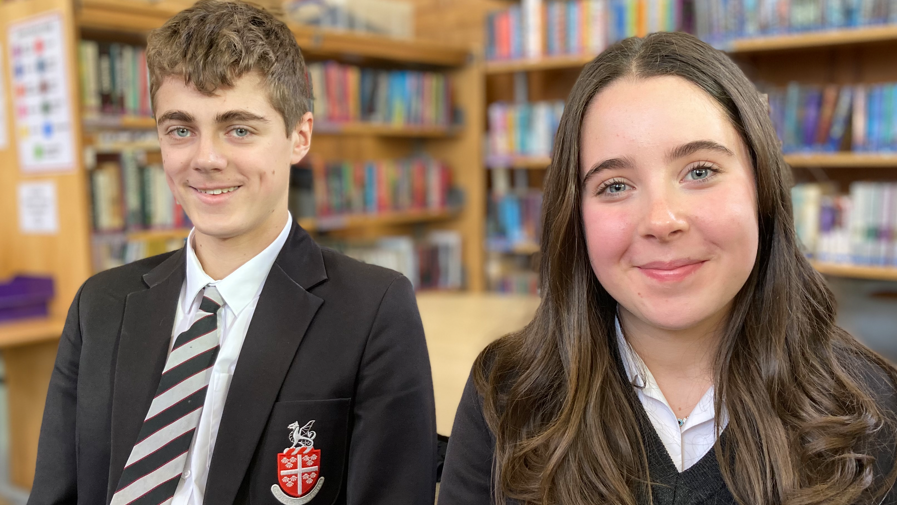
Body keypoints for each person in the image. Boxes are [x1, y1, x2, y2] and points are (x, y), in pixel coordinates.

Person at [438, 31, 897, 505]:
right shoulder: (507, 395)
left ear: (762, 188)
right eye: (615, 185)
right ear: (574, 215)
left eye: (699, 171)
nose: (661, 221)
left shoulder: (873, 409)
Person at [28, 1, 437, 504]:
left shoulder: (373, 310)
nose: (206, 159)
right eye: (180, 130)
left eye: (239, 128)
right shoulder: (101, 304)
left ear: (298, 137)